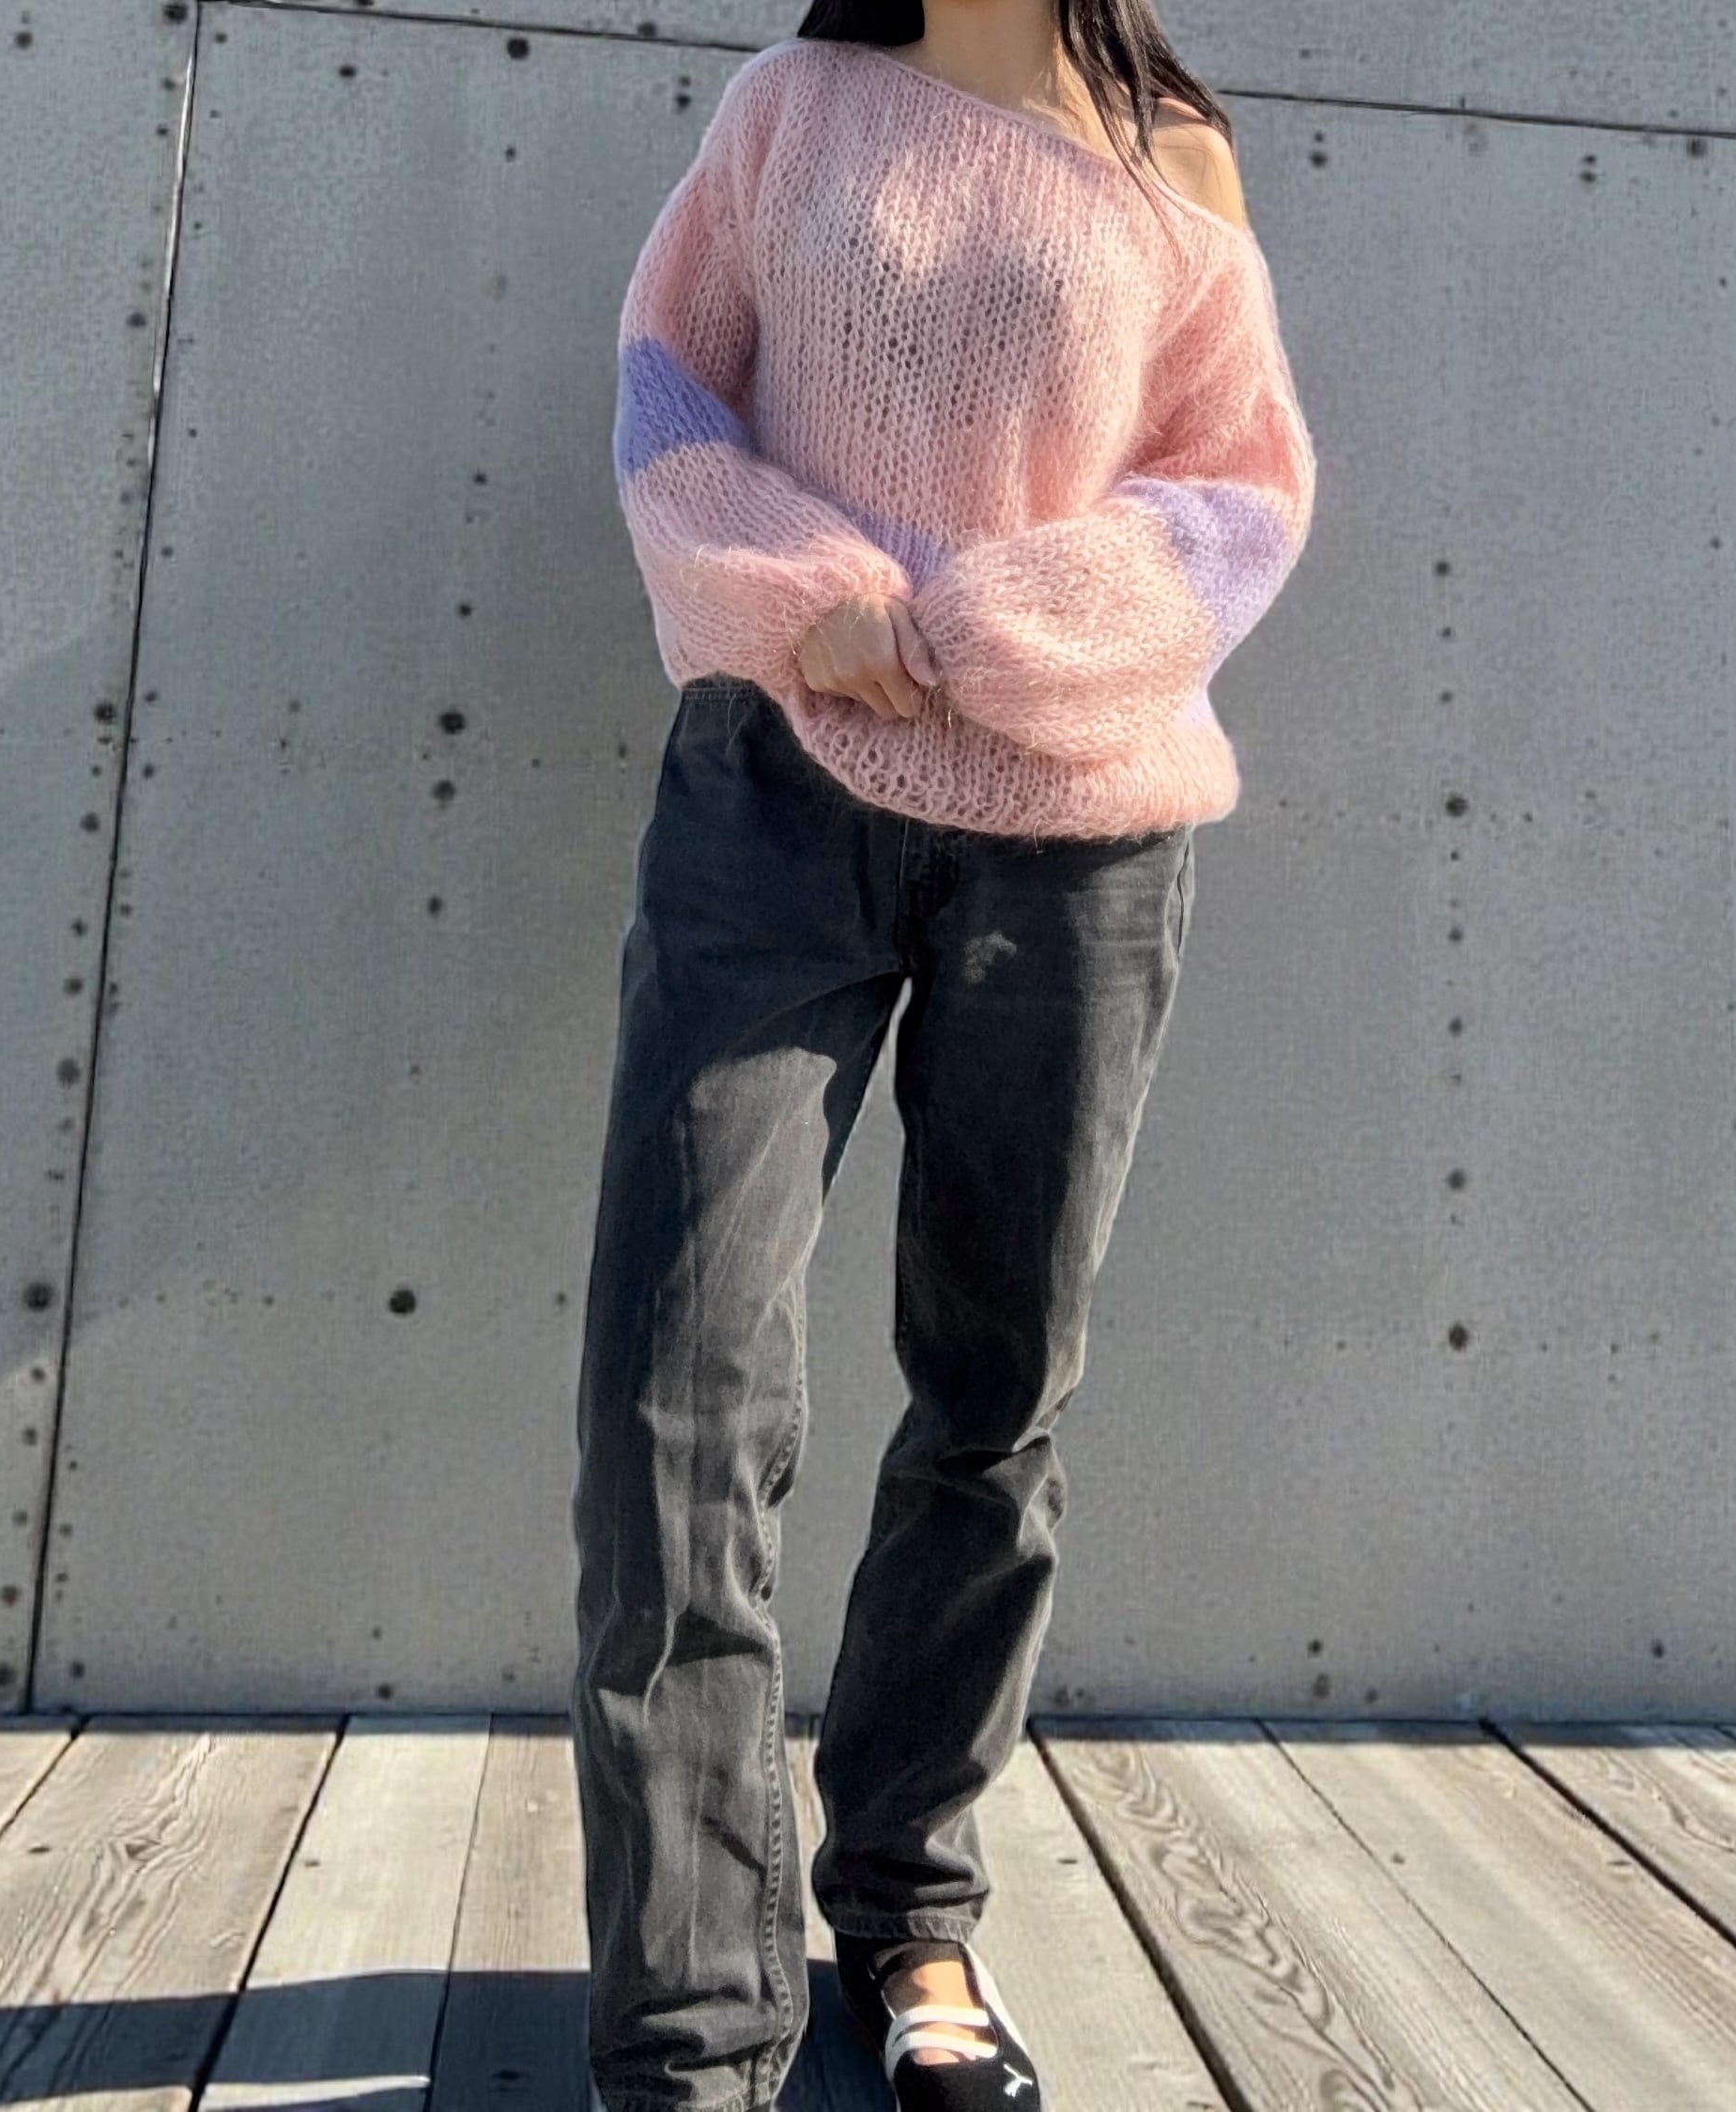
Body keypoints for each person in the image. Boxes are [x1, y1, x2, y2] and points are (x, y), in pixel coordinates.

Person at [574, 1, 1317, 2104]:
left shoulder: (1168, 157)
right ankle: (689, 2035)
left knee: (993, 1396)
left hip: (1081, 836)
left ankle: (908, 1914)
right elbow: (664, 391)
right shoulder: (790, 108)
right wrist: (797, 590)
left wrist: (992, 630)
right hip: (771, 800)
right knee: (672, 1404)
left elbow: (1237, 493)